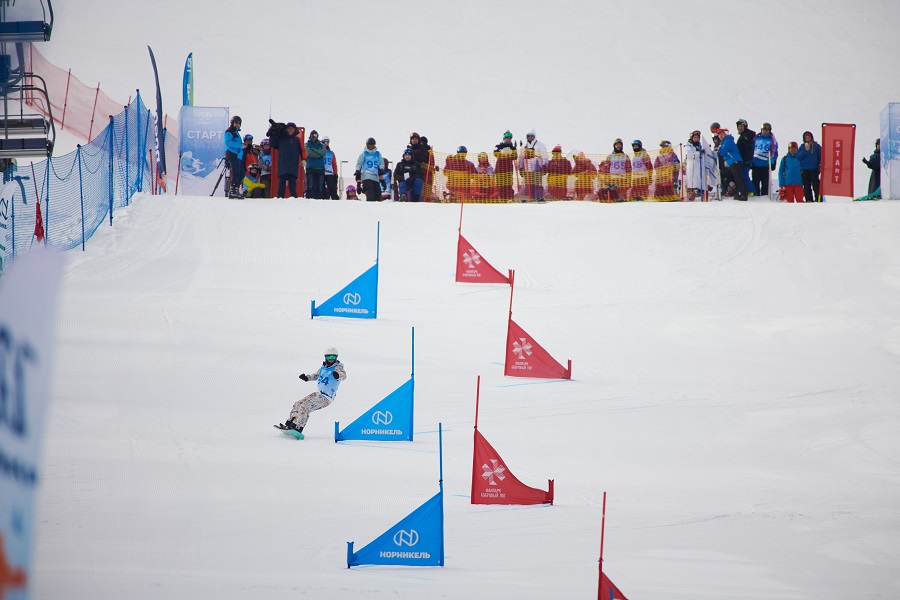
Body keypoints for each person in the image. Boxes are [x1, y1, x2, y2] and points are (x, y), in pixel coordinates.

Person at [276, 347, 347, 438]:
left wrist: (338, 375)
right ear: (325, 357)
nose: (330, 359)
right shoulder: (323, 367)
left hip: (326, 397)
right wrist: (307, 377)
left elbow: (343, 375)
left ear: (336, 357)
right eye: (328, 357)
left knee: (305, 407)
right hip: (319, 394)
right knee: (298, 404)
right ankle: (290, 424)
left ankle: (298, 427)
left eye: (333, 357)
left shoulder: (338, 367)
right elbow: (316, 375)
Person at [270, 121, 304, 198]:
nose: (290, 130)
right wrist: (272, 134)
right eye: (289, 128)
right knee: (281, 184)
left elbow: (302, 150)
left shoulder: (297, 140)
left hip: (293, 165)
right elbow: (273, 144)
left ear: (295, 130)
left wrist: (304, 159)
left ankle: (294, 198)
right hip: (283, 165)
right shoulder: (281, 138)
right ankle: (280, 198)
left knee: (293, 185)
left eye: (292, 129)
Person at [683, 130, 716, 202]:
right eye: (694, 137)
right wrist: (699, 153)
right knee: (693, 181)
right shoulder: (689, 146)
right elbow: (690, 155)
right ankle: (692, 193)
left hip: (699, 166)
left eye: (697, 137)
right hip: (693, 167)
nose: (696, 139)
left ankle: (700, 192)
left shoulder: (700, 145)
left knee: (700, 179)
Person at [716, 127, 748, 201]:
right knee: (726, 176)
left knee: (738, 178)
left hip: (734, 161)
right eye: (719, 134)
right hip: (731, 162)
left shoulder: (728, 141)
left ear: (726, 134)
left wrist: (718, 150)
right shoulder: (724, 142)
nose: (720, 136)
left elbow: (722, 152)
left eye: (722, 134)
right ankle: (735, 191)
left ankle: (743, 194)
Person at [518, 129, 548, 201]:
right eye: (528, 136)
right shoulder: (524, 146)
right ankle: (530, 198)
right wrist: (520, 168)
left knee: (537, 183)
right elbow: (521, 158)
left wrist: (545, 166)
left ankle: (538, 197)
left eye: (532, 136)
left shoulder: (540, 145)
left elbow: (544, 156)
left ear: (534, 136)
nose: (530, 137)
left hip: (537, 167)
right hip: (527, 168)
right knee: (529, 184)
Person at [794, 130, 822, 202]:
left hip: (814, 169)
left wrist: (821, 165)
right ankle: (809, 199)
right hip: (804, 169)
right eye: (806, 138)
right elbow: (798, 157)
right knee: (806, 186)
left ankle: (818, 199)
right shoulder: (802, 147)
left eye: (809, 137)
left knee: (816, 185)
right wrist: (805, 151)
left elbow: (821, 156)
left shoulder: (816, 146)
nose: (808, 139)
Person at [751, 122, 778, 197]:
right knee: (755, 182)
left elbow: (775, 152)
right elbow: (751, 149)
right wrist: (751, 161)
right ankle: (756, 196)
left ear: (769, 131)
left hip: (765, 165)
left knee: (765, 183)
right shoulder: (756, 139)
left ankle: (765, 196)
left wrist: (773, 161)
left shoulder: (772, 140)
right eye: (763, 130)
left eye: (766, 130)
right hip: (756, 164)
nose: (764, 131)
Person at [355, 137, 385, 202]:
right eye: (369, 146)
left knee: (378, 195)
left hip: (375, 176)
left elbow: (381, 163)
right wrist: (357, 170)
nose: (371, 148)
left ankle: (377, 206)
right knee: (370, 193)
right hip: (366, 175)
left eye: (372, 146)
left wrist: (381, 169)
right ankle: (370, 205)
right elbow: (359, 163)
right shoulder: (364, 154)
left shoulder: (378, 154)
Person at [710, 121, 734, 196]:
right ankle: (724, 189)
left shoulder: (720, 135)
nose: (715, 132)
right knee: (721, 175)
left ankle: (727, 189)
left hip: (723, 158)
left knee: (724, 174)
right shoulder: (715, 136)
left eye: (716, 129)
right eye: (713, 130)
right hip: (719, 158)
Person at [493, 131, 517, 201]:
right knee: (500, 185)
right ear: (504, 138)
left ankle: (509, 199)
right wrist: (502, 152)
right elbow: (495, 153)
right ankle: (502, 199)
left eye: (510, 138)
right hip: (499, 169)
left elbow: (515, 157)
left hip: (508, 170)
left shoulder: (513, 148)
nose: (508, 139)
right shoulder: (498, 146)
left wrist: (510, 153)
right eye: (507, 138)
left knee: (508, 185)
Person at [224, 115, 245, 199]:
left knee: (241, 173)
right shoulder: (229, 131)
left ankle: (235, 190)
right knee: (236, 173)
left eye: (239, 123)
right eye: (236, 122)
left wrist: (242, 146)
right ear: (232, 123)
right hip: (232, 154)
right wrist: (240, 145)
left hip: (237, 156)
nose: (237, 124)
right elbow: (228, 142)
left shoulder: (236, 132)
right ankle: (233, 191)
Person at [303, 130, 327, 199]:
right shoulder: (307, 144)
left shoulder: (321, 145)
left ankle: (319, 200)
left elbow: (324, 153)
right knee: (310, 186)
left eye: (315, 135)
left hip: (320, 169)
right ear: (310, 136)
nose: (314, 137)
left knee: (320, 187)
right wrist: (319, 154)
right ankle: (310, 200)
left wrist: (314, 150)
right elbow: (309, 153)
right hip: (310, 168)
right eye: (312, 135)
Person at [735, 119, 756, 195]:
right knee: (743, 175)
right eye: (739, 126)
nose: (740, 128)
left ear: (745, 127)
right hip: (743, 159)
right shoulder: (743, 136)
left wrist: (747, 159)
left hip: (746, 160)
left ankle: (751, 191)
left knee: (744, 175)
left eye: (741, 126)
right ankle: (751, 191)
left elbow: (749, 148)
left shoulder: (747, 135)